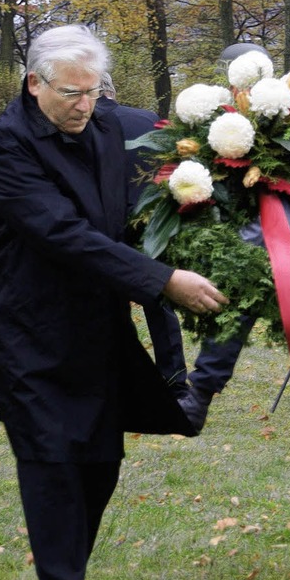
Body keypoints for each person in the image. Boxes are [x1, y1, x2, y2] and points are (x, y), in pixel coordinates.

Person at [0, 23, 227, 580]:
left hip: (98, 322)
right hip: (29, 330)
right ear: (34, 82)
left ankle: (69, 578)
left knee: (99, 461)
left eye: (93, 92)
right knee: (51, 463)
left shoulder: (111, 125)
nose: (85, 106)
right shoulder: (3, 149)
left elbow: (157, 193)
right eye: (71, 93)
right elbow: (63, 234)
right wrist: (163, 281)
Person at [183, 41, 290, 429]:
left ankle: (197, 401)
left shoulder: (277, 117)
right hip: (286, 236)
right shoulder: (249, 116)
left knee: (242, 309)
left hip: (269, 236)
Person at [97, 74, 190, 398]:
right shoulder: (149, 119)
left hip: (102, 225)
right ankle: (175, 378)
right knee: (158, 299)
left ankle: (115, 377)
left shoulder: (79, 123)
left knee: (105, 302)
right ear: (112, 91)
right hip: (150, 222)